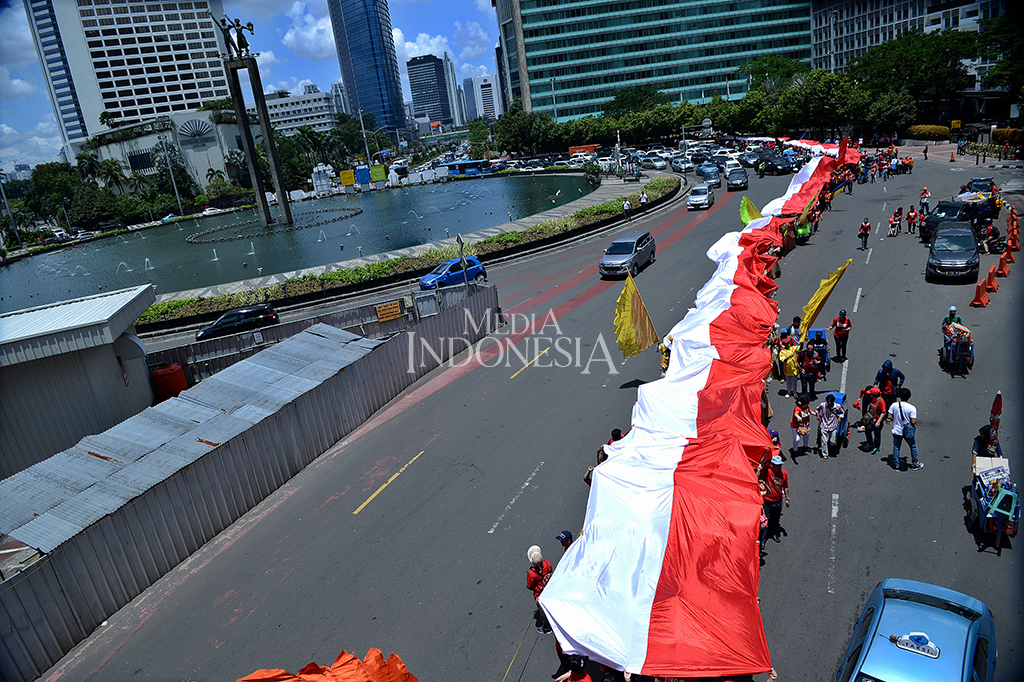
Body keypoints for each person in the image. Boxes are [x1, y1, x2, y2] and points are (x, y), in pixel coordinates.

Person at [880, 387, 920, 471]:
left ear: (900, 396)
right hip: (907, 431)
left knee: (896, 447)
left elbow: (890, 416)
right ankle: (915, 464)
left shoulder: (894, 405)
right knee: (913, 446)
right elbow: (913, 422)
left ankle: (897, 465)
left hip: (897, 430)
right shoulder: (912, 408)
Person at [759, 455, 790, 544]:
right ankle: (763, 540)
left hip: (778, 501)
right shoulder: (767, 471)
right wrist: (767, 452)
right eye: (776, 465)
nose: (779, 467)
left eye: (780, 465)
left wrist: (788, 499)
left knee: (775, 519)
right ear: (771, 465)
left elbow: (785, 486)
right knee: (765, 520)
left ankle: (773, 534)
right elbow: (761, 462)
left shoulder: (784, 473)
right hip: (767, 501)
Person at [526, 546, 553, 633]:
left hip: (539, 594)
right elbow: (550, 571)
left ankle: (546, 627)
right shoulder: (547, 563)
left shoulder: (532, 573)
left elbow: (529, 586)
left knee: (542, 612)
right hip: (548, 590)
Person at [815, 393, 846, 460]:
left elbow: (842, 412)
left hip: (833, 425)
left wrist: (840, 418)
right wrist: (818, 415)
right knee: (824, 441)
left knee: (832, 441)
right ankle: (825, 455)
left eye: (830, 402)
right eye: (828, 401)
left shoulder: (837, 406)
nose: (829, 403)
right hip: (824, 425)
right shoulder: (823, 405)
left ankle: (833, 446)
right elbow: (817, 409)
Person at [860, 388, 886, 454]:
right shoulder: (872, 399)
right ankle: (870, 443)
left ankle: (877, 447)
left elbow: (883, 413)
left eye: (870, 394)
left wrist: (878, 422)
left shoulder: (881, 402)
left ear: (873, 395)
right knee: (867, 431)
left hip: (877, 421)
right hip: (871, 420)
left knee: (877, 435)